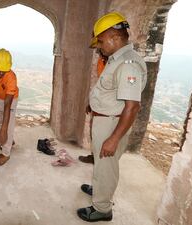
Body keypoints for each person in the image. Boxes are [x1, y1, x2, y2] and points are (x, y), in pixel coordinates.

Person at [77, 12, 147, 222]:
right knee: (101, 162)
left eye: (100, 41)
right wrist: (94, 103)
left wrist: (114, 138)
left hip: (111, 124)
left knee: (107, 166)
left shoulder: (128, 64)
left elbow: (132, 107)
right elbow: (111, 89)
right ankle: (101, 190)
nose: (99, 46)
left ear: (114, 37)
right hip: (105, 119)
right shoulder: (117, 59)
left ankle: (102, 208)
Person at [79, 45, 108, 165]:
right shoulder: (101, 62)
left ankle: (100, 160)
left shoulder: (115, 65)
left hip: (108, 108)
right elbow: (100, 84)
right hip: (99, 104)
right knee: (95, 132)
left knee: (103, 134)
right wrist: (92, 103)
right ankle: (94, 156)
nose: (100, 51)